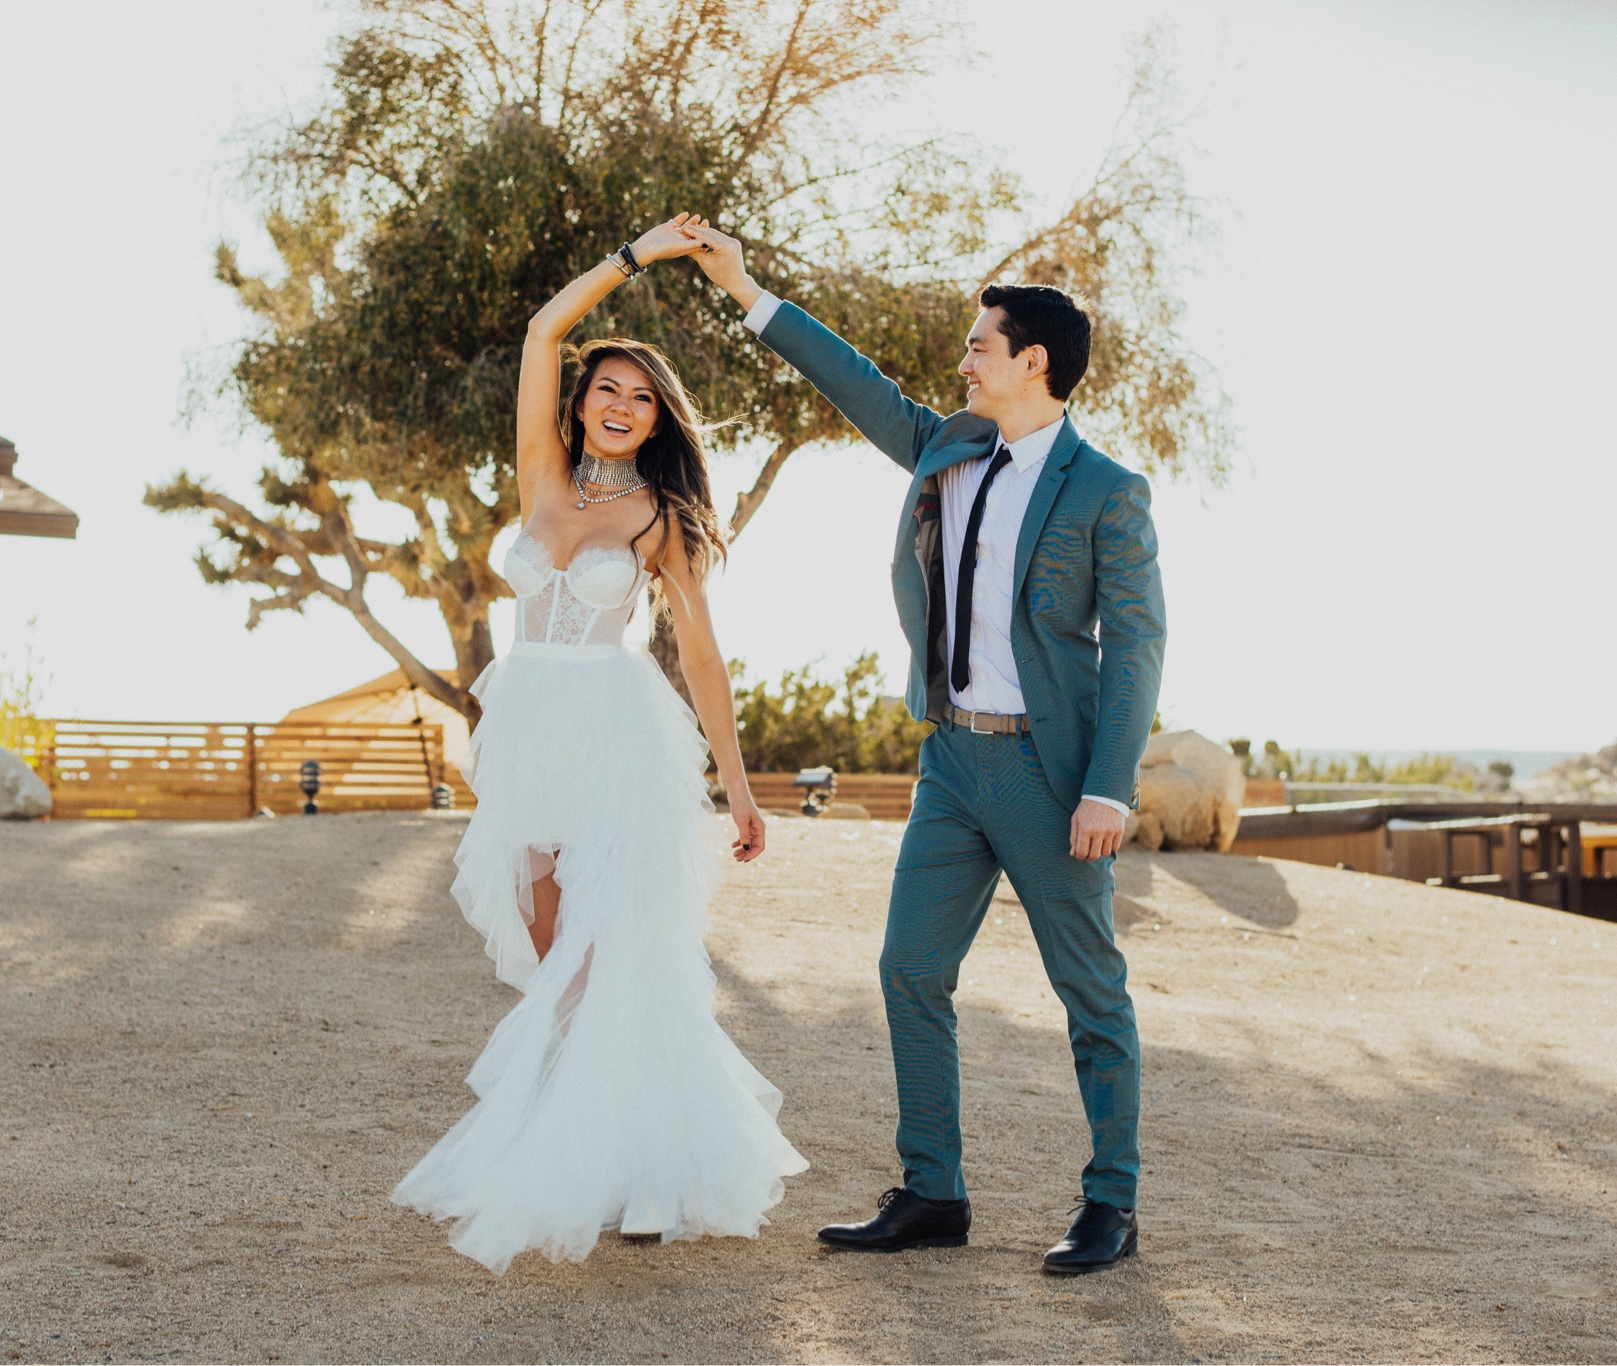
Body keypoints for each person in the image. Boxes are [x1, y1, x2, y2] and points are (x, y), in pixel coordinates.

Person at [684, 220, 1165, 1274]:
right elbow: (859, 385)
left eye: (979, 347)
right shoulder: (948, 445)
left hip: (1050, 774)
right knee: (908, 968)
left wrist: (1108, 787)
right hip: (949, 762)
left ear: (1033, 362)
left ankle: (1111, 1203)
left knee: (1089, 993)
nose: (964, 362)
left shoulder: (1106, 491)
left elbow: (1137, 646)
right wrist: (747, 291)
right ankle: (933, 1191)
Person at [391, 214, 807, 1276]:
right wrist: (634, 257)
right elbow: (542, 331)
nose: (621, 406)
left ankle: (648, 1175)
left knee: (611, 949)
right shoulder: (541, 474)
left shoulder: (660, 517)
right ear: (580, 404)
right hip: (528, 730)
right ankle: (612, 1144)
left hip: (615, 736)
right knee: (553, 954)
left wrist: (739, 788)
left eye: (642, 398)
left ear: (658, 419)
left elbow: (700, 656)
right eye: (607, 389)